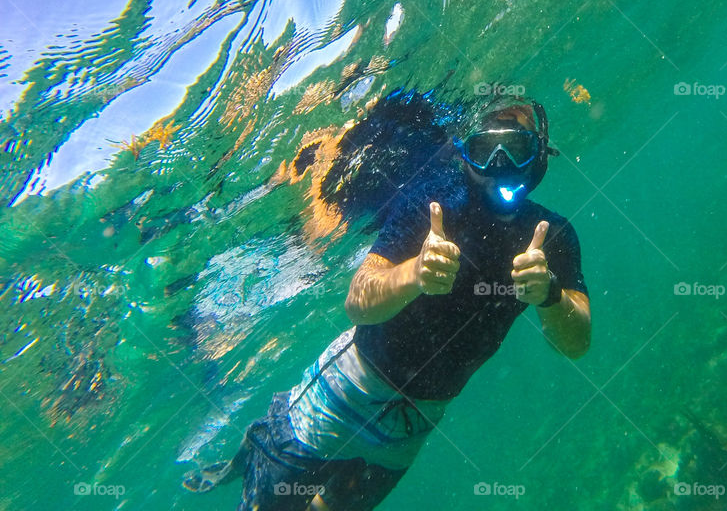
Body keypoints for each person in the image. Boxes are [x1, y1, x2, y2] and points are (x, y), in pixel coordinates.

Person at [184, 97, 591, 510]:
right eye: (486, 149)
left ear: (538, 154)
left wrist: (551, 295)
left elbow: (575, 344)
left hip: (413, 427)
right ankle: (257, 446)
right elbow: (358, 302)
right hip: (346, 391)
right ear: (467, 152)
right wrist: (414, 274)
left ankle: (260, 446)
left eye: (516, 148)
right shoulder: (431, 202)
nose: (501, 163)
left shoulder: (554, 236)